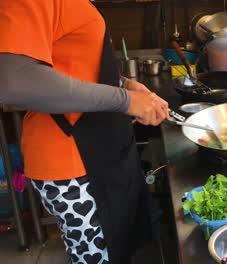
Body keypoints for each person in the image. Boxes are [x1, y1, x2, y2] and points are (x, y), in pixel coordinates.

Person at [0, 1, 169, 263]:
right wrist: (124, 100)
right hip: (71, 161)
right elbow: (15, 81)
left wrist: (124, 84)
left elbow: (71, 64)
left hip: (102, 152)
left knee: (117, 252)